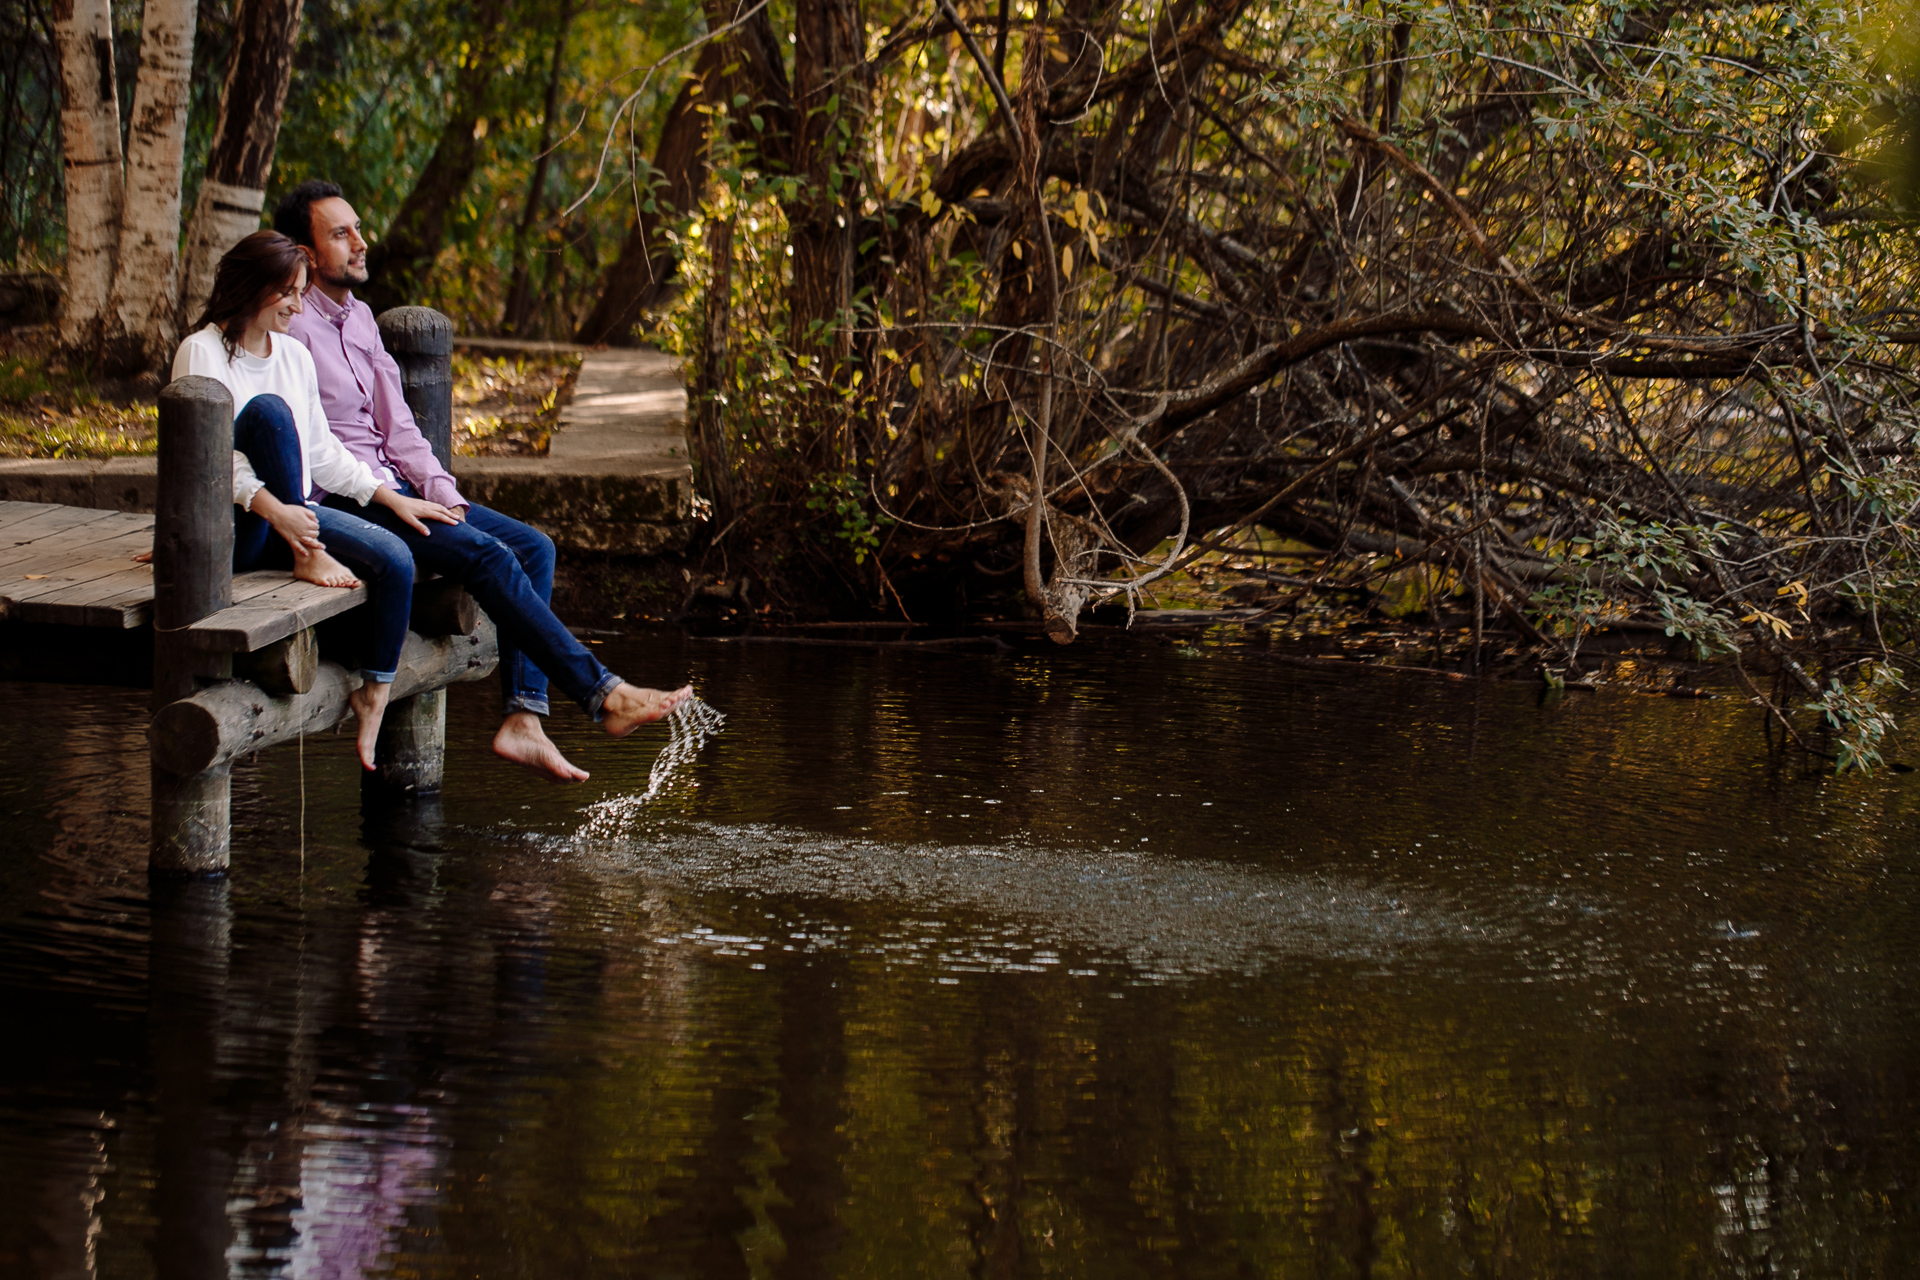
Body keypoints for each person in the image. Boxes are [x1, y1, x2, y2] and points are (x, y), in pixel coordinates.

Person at [273, 180, 690, 782]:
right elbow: (306, 449)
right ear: (306, 253)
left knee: (533, 546)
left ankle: (524, 718)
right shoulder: (293, 330)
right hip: (348, 501)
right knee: (490, 560)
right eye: (342, 234)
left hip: (400, 489)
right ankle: (604, 695)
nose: (361, 243)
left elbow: (404, 431)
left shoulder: (361, 319)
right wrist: (392, 497)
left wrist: (442, 491)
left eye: (359, 228)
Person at [170, 230, 422, 771]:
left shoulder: (293, 354)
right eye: (287, 292)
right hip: (237, 530)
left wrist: (387, 495)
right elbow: (210, 461)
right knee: (267, 414)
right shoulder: (202, 350)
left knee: (398, 558)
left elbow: (322, 451)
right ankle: (305, 552)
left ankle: (375, 691)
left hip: (292, 518)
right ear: (251, 288)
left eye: (302, 292)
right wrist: (274, 508)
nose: (297, 305)